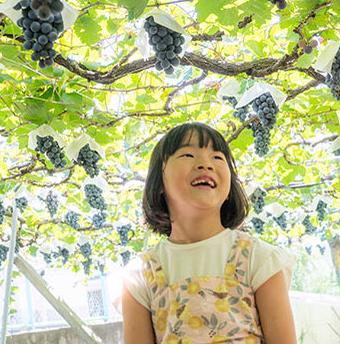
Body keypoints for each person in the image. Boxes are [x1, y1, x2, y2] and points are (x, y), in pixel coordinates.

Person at [120, 122, 297, 343]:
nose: (206, 164)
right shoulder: (141, 275)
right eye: (187, 155)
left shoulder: (258, 258)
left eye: (217, 158)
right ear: (159, 183)